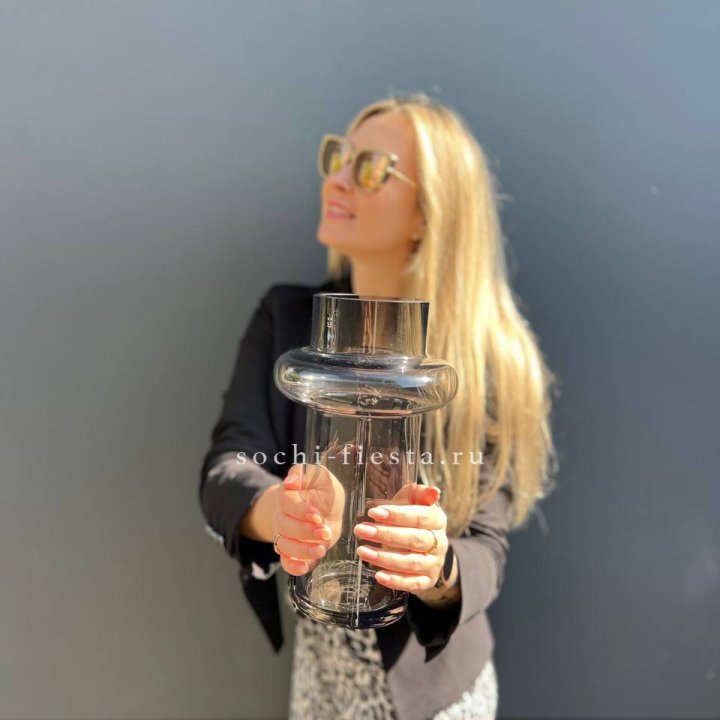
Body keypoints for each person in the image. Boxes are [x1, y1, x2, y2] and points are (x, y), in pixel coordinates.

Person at [198, 94, 557, 720]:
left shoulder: (486, 357)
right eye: (337, 157)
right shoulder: (287, 319)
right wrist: (277, 512)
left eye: (370, 168)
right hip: (322, 674)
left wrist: (435, 566)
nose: (337, 178)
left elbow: (487, 547)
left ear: (428, 212)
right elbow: (229, 464)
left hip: (437, 691)